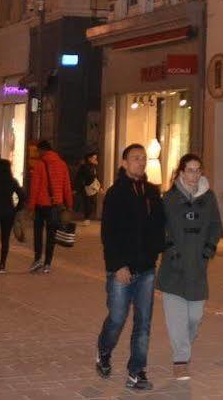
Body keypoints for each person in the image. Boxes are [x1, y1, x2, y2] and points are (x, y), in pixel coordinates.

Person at [96, 142, 165, 391]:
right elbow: (108, 234)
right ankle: (104, 351)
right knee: (116, 319)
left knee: (143, 323)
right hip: (121, 270)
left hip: (146, 269)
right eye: (135, 158)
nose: (140, 162)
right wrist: (118, 266)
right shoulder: (116, 194)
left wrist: (157, 251)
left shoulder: (152, 192)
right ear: (124, 163)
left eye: (143, 158)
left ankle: (136, 372)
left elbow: (159, 227)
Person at [158, 153, 223, 382]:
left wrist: (209, 249)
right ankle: (180, 361)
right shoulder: (169, 198)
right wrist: (171, 251)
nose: (195, 175)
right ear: (181, 172)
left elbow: (216, 225)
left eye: (198, 170)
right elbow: (161, 229)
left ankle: (182, 347)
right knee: (176, 318)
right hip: (173, 269)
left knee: (194, 317)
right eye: (190, 170)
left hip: (198, 267)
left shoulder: (209, 197)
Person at [28, 138, 75, 273]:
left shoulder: (39, 164)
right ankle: (48, 264)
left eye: (38, 151)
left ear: (43, 150)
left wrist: (31, 207)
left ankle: (38, 260)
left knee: (38, 233)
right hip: (55, 205)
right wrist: (69, 205)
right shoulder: (62, 164)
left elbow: (34, 187)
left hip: (41, 205)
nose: (37, 153)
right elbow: (67, 186)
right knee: (51, 234)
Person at [74, 153, 102, 221]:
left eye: (96, 158)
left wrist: (100, 186)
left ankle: (87, 217)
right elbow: (80, 178)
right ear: (89, 158)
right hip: (86, 187)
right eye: (94, 158)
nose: (95, 160)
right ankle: (86, 218)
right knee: (87, 203)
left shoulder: (93, 167)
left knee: (91, 202)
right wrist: (77, 188)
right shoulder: (84, 167)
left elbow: (96, 177)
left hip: (93, 187)